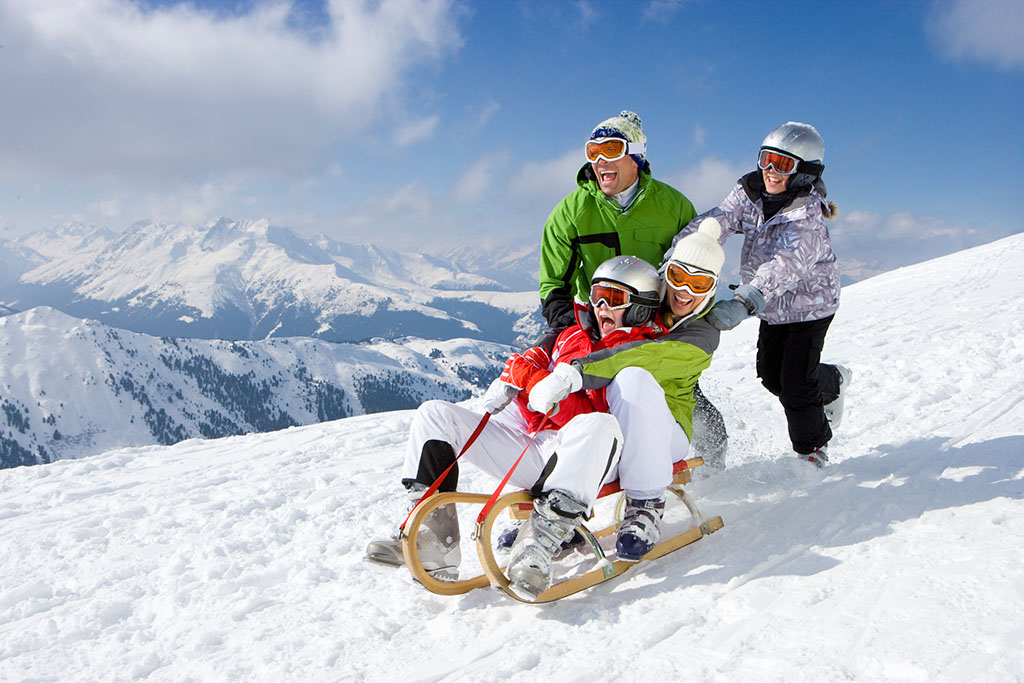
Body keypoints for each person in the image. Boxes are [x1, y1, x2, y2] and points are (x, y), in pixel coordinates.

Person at [365, 254, 666, 600]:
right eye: (597, 294)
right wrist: (526, 378)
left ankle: (538, 544)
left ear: (642, 307)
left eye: (613, 299)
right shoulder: (571, 335)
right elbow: (526, 360)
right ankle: (431, 540)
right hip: (532, 443)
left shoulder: (636, 351)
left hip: (585, 457)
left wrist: (536, 384)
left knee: (598, 424)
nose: (600, 307)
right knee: (434, 413)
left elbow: (583, 413)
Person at [536, 109, 728, 463]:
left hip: (654, 322)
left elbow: (692, 265)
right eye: (592, 152)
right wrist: (569, 327)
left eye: (611, 149)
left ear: (636, 157)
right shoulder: (571, 211)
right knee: (578, 385)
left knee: (673, 391)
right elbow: (553, 280)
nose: (599, 161)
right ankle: (576, 464)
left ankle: (713, 461)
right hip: (600, 317)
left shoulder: (672, 206)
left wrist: (695, 318)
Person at [671, 122, 852, 467]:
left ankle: (813, 449)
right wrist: (686, 249)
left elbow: (785, 265)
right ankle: (832, 380)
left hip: (810, 307)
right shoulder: (750, 193)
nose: (769, 170)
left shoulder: (807, 215)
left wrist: (744, 301)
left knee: (796, 385)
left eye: (782, 165)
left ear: (804, 172)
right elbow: (720, 218)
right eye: (766, 159)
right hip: (772, 308)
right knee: (772, 376)